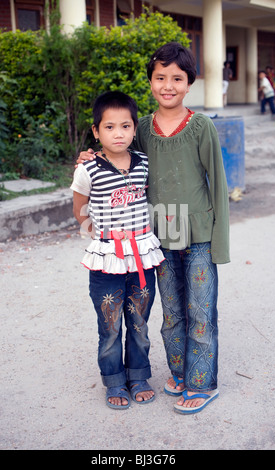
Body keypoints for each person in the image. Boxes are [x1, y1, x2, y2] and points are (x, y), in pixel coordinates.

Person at [77, 42, 230, 414]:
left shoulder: (201, 126)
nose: (168, 85)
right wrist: (90, 154)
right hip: (159, 234)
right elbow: (121, 155)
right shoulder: (140, 127)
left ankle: (201, 382)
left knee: (201, 309)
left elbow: (219, 184)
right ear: (150, 82)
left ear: (189, 83)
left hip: (198, 233)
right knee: (173, 311)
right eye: (160, 77)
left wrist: (220, 244)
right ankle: (178, 373)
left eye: (177, 78)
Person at [71, 91, 165, 409]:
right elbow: (79, 208)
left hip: (142, 257)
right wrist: (99, 237)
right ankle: (114, 381)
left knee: (138, 323)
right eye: (109, 127)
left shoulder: (143, 163)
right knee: (110, 327)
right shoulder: (88, 170)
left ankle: (138, 376)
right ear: (96, 131)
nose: (119, 133)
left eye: (126, 126)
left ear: (135, 129)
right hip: (107, 259)